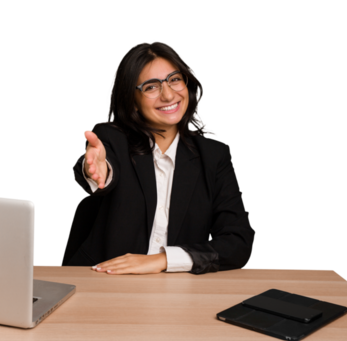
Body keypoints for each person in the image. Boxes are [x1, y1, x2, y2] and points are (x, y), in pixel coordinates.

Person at [61, 40, 255, 275]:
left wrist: (163, 260)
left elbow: (237, 242)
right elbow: (104, 167)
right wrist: (97, 170)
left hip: (179, 289)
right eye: (151, 87)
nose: (168, 94)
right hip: (101, 281)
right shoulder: (112, 138)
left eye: (174, 79)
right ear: (132, 99)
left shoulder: (214, 155)